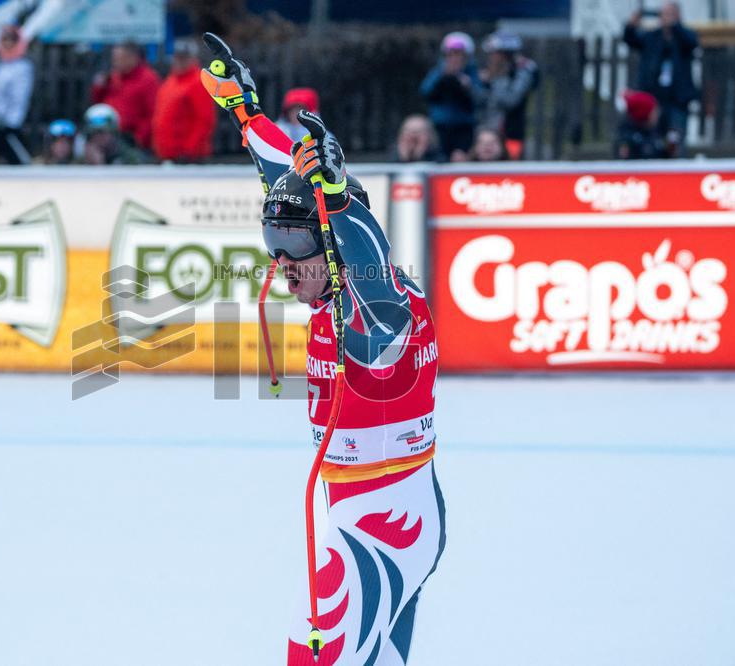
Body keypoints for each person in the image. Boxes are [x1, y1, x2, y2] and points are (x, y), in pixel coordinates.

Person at [200, 33, 444, 666]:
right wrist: (247, 113)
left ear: (337, 247)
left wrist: (337, 203)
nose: (281, 263)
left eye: (295, 247)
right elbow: (287, 177)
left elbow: (379, 308)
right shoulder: (334, 286)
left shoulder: (382, 307)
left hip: (382, 524)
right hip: (364, 512)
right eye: (270, 241)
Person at [623, 2, 699, 150]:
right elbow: (631, 40)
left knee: (675, 139)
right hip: (654, 99)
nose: (666, 17)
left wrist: (675, 26)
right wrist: (631, 25)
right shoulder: (653, 36)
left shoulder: (684, 36)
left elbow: (692, 43)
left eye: (670, 13)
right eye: (664, 13)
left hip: (677, 100)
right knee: (652, 137)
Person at [151, 39, 216, 163]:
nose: (179, 61)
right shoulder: (171, 81)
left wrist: (189, 150)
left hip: (188, 158)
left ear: (193, 59)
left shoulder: (198, 82)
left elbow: (204, 120)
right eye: (177, 57)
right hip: (167, 155)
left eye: (184, 58)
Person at [477, 31, 538, 160]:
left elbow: (511, 100)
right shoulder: (487, 73)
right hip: (488, 133)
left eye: (495, 53)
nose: (492, 58)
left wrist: (495, 80)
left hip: (511, 134)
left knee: (511, 166)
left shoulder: (522, 72)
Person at [0, 24, 34, 165]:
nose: (7, 43)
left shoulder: (22, 67)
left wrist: (11, 122)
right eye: (4, 39)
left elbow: (20, 97)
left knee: (17, 163)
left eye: (11, 40)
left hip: (8, 126)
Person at [420, 32, 481, 160]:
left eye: (459, 54)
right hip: (440, 128)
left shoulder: (472, 74)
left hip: (464, 129)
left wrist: (467, 86)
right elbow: (425, 92)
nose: (454, 58)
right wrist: (443, 77)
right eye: (451, 54)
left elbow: (480, 98)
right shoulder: (438, 72)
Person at [91, 41, 160, 150]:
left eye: (119, 58)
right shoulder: (113, 76)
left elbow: (153, 113)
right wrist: (99, 88)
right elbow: (99, 104)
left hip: (131, 140)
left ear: (132, 57)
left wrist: (139, 138)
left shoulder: (148, 79)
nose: (115, 62)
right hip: (110, 136)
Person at [78, 103, 146, 165]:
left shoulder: (131, 159)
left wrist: (99, 165)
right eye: (93, 133)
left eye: (102, 132)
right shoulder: (80, 159)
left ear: (114, 132)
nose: (98, 137)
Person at [615, 89, 672, 160]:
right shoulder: (628, 137)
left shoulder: (657, 132)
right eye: (654, 111)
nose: (657, 114)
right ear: (644, 114)